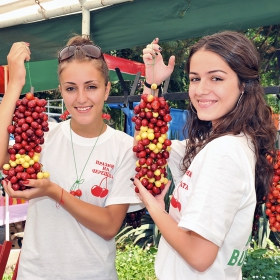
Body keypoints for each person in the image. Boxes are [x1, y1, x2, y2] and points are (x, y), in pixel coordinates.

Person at [134, 31, 277, 279]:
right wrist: (152, 84)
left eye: (216, 78)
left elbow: (199, 256)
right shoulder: (216, 143)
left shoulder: (225, 152)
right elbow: (150, 145)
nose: (201, 90)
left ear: (244, 84)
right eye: (195, 78)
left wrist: (155, 207)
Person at [0, 36, 143, 279]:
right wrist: (14, 86)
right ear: (61, 91)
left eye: (91, 86)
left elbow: (109, 226)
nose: (81, 98)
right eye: (70, 88)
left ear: (107, 89)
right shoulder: (44, 136)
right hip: (36, 274)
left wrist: (54, 191)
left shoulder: (125, 148)